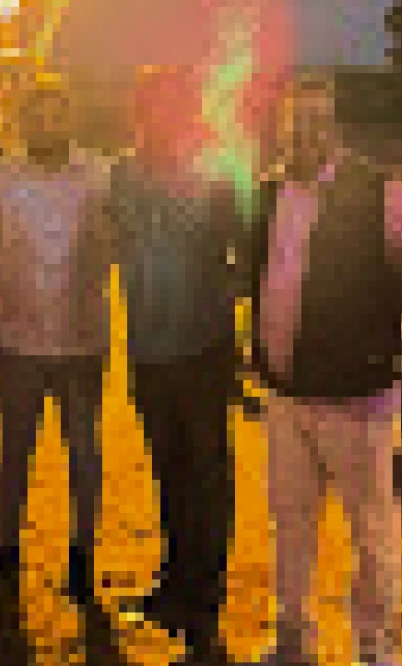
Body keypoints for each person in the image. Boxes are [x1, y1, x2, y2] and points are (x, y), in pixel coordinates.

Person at [247, 71, 402, 666]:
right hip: (284, 394)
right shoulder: (267, 192)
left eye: (317, 121)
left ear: (336, 126)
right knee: (290, 522)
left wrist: (393, 362)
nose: (305, 134)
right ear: (280, 128)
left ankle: (375, 652)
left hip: (358, 398)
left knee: (370, 531)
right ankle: (293, 641)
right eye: (295, 122)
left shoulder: (381, 192)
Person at [0, 76, 113, 617]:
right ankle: (5, 553)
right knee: (13, 452)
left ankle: (82, 556)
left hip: (82, 339)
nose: (48, 125)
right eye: (38, 116)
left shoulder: (101, 176)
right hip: (18, 339)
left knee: (84, 453)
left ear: (72, 119)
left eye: (58, 115)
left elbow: (125, 243)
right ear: (22, 122)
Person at [110, 64, 247, 665]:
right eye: (152, 106)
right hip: (148, 349)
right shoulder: (122, 174)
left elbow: (245, 256)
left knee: (208, 478)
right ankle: (172, 586)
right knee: (168, 474)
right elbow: (111, 242)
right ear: (140, 113)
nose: (162, 117)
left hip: (203, 348)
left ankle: (205, 604)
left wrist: (229, 317)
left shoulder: (216, 173)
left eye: (174, 105)